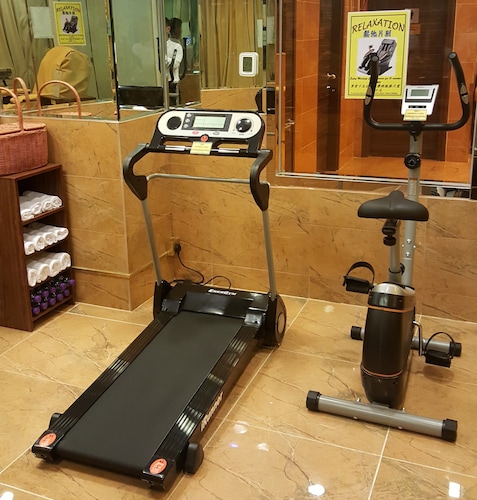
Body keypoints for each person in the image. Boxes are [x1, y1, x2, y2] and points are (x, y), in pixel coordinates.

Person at [165, 17, 184, 100]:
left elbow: (175, 64)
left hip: (172, 85)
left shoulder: (176, 46)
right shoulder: (154, 47)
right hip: (157, 84)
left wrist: (163, 58)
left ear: (168, 29)